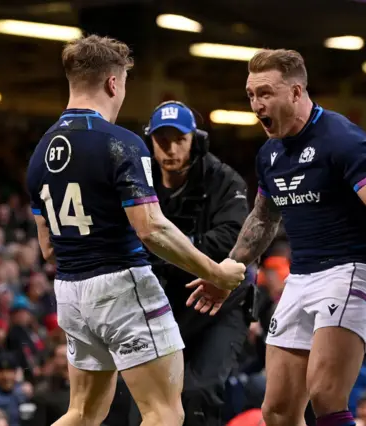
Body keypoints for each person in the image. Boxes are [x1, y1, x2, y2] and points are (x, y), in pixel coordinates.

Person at [186, 48, 366, 426]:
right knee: (277, 410)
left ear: (297, 92)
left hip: (350, 271)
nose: (255, 104)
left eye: (265, 93)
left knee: (325, 395)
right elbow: (262, 219)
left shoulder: (342, 138)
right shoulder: (268, 154)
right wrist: (225, 274)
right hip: (301, 278)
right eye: (250, 95)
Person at [25, 35, 246, 426]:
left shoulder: (40, 152)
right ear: (113, 83)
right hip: (121, 287)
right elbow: (151, 230)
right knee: (164, 412)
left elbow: (47, 247)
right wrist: (216, 273)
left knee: (82, 413)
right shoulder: (120, 144)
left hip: (70, 292)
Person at [133, 100, 251, 425]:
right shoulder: (137, 181)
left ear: (195, 140)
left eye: (179, 139)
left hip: (219, 305)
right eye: (161, 140)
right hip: (164, 301)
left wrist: (168, 248)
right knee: (144, 400)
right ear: (150, 143)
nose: (170, 149)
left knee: (199, 391)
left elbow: (232, 239)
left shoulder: (225, 181)